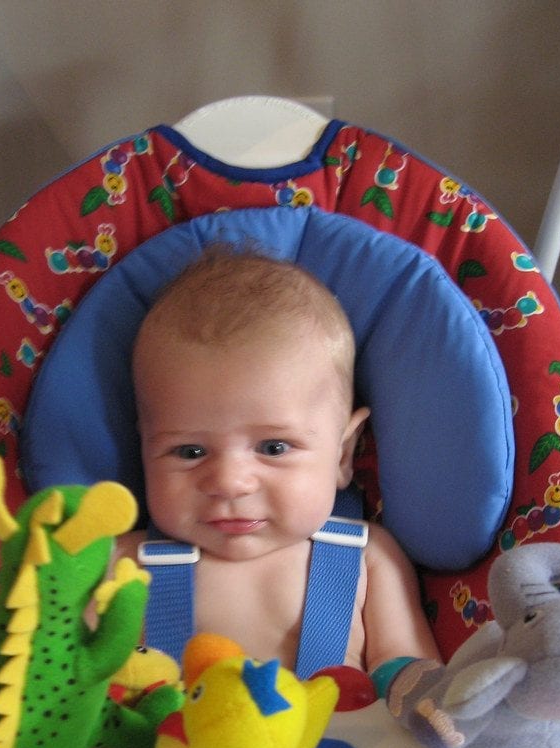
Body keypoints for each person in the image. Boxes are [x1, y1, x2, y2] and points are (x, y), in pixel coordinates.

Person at [117, 247, 439, 675]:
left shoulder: (369, 559)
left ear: (343, 454)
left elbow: (416, 678)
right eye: (190, 452)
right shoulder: (121, 566)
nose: (231, 483)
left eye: (273, 447)